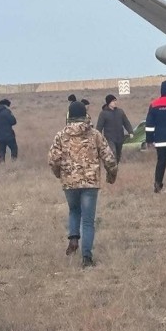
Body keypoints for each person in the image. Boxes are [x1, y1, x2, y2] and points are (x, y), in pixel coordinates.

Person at [49, 101, 118, 267]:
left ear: (69, 116)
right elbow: (109, 158)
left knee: (73, 210)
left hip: (69, 183)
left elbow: (53, 160)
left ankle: (73, 238)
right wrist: (111, 175)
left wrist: (60, 174)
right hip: (90, 183)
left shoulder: (60, 136)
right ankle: (87, 258)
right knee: (88, 221)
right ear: (85, 115)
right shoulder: (95, 134)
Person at [96, 94, 133, 163]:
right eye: (113, 101)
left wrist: (130, 131)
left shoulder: (120, 112)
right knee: (113, 153)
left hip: (120, 138)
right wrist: (98, 138)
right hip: (109, 138)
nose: (115, 102)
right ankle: (113, 169)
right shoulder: (103, 114)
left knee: (118, 155)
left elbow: (126, 122)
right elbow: (99, 127)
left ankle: (115, 169)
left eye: (115, 101)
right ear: (109, 103)